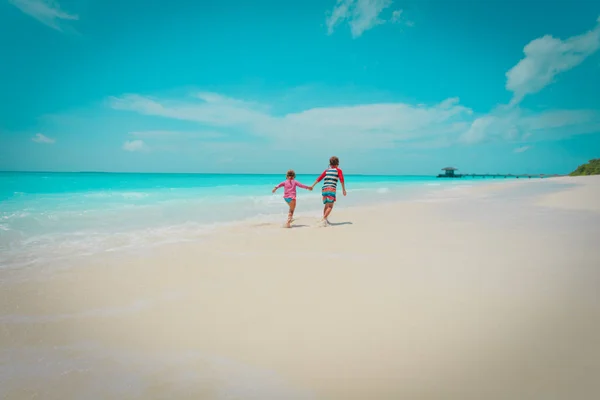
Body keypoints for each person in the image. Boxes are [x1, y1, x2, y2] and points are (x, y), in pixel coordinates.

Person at [310, 156, 346, 226]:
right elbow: (341, 180)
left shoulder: (327, 171)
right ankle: (323, 219)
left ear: (330, 163)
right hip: (331, 189)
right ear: (337, 163)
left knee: (326, 205)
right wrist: (343, 190)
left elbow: (319, 178)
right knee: (330, 206)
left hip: (324, 189)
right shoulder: (338, 170)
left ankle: (325, 221)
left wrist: (312, 186)